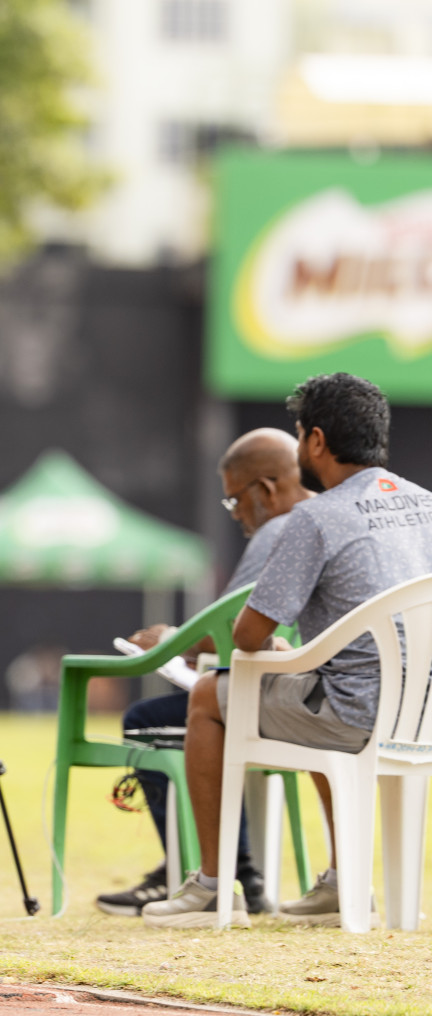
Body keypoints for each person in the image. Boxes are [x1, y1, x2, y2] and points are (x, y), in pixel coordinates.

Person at [144, 373, 432, 928]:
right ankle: (343, 883)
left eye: (300, 435)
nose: (299, 447)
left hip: (353, 717)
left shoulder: (315, 516)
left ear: (317, 442)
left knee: (208, 694)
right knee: (310, 684)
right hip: (421, 714)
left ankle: (211, 888)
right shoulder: (426, 505)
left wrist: (275, 645)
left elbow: (248, 636)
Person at [95, 428, 312, 916]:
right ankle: (239, 871)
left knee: (150, 718)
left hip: (283, 699)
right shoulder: (328, 520)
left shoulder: (282, 529)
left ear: (266, 490)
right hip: (327, 693)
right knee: (201, 702)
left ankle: (207, 873)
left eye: (234, 499)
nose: (234, 513)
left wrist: (172, 640)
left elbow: (239, 629)